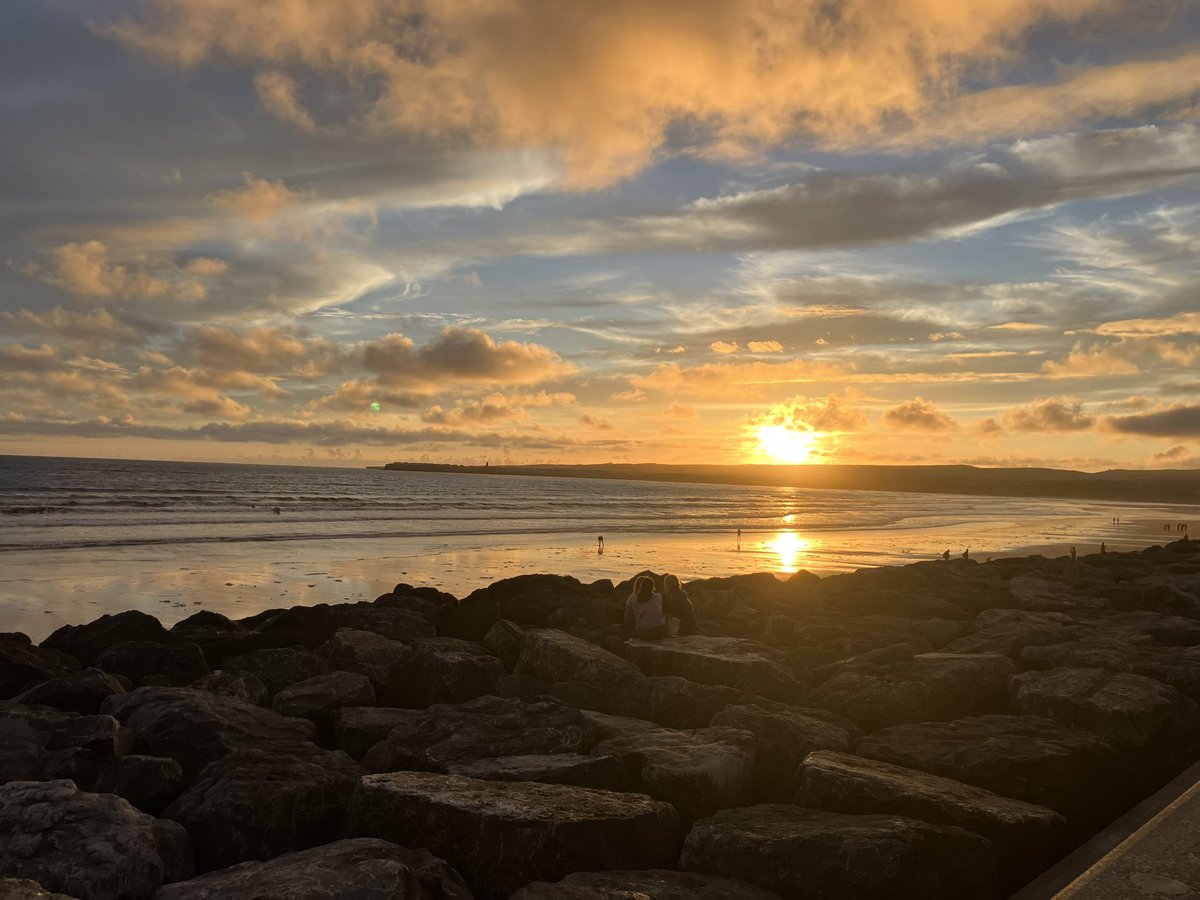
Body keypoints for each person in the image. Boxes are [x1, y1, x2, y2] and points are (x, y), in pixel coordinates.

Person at [622, 575, 669, 639]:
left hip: (645, 634)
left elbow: (637, 618)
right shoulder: (658, 596)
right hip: (660, 632)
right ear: (653, 587)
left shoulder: (635, 599)